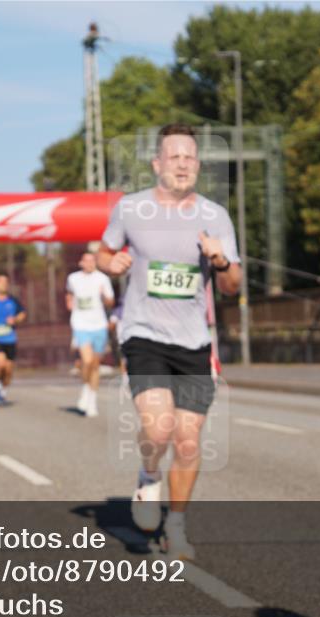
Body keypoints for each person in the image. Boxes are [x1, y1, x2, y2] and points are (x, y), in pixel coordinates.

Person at [97, 123, 242, 559]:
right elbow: (103, 252)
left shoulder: (215, 215)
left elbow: (233, 284)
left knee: (189, 440)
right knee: (158, 427)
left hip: (194, 340)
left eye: (190, 157)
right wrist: (112, 263)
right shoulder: (130, 209)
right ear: (157, 164)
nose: (182, 163)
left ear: (198, 165)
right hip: (143, 334)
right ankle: (147, 474)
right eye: (173, 156)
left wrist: (219, 260)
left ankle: (175, 524)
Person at [66, 252, 114, 417]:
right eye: (86, 260)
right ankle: (86, 388)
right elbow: (69, 293)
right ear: (81, 263)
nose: (90, 263)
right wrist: (69, 302)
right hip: (80, 324)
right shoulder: (73, 278)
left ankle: (91, 398)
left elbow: (110, 301)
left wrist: (104, 297)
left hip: (99, 325)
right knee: (86, 361)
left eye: (92, 261)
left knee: (95, 364)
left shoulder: (102, 279)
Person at [0, 271, 26, 407]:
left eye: (6, 282)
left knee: (8, 370)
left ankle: (2, 390)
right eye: (1, 282)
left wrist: (15, 319)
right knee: (0, 363)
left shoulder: (13, 300)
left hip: (10, 339)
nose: (4, 285)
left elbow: (22, 314)